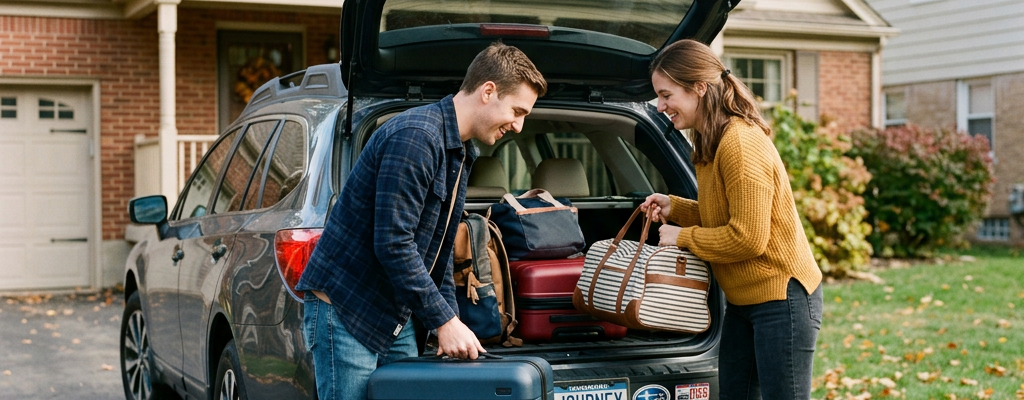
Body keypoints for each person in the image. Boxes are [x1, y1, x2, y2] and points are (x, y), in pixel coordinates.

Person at [295, 42, 547, 400]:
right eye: (517, 111)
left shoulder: (459, 151)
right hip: (347, 313)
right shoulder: (416, 138)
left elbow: (438, 254)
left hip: (396, 315)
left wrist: (450, 320)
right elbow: (393, 243)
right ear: (488, 91)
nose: (519, 126)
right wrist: (443, 322)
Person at [639, 39, 823, 400]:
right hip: (744, 303)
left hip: (781, 298)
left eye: (666, 95)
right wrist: (674, 207)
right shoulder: (710, 141)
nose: (660, 107)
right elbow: (722, 214)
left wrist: (684, 237)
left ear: (699, 88)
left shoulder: (740, 143)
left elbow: (748, 237)